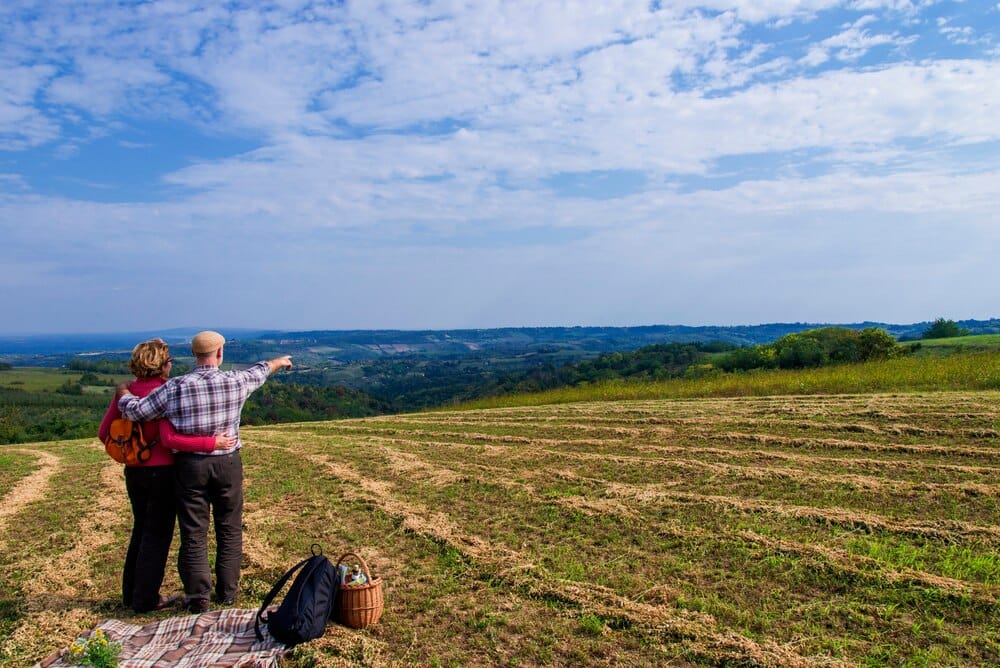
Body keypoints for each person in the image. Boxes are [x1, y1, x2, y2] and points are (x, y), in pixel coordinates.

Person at [117, 330, 292, 613]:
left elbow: (136, 412)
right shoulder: (235, 381)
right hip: (227, 463)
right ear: (220, 353)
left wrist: (123, 393)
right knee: (229, 527)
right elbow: (260, 371)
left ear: (194, 355)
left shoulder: (175, 387)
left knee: (194, 532)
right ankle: (228, 590)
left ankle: (198, 595)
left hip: (189, 466)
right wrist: (280, 361)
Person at [99, 338, 236, 613]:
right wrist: (211, 443)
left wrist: (132, 452)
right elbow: (168, 438)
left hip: (134, 472)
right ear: (162, 364)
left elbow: (105, 433)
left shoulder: (125, 392)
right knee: (158, 535)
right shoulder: (167, 391)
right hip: (162, 472)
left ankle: (131, 593)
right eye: (169, 361)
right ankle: (146, 599)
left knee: (140, 530)